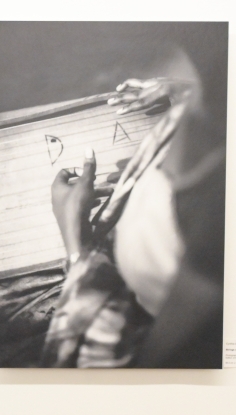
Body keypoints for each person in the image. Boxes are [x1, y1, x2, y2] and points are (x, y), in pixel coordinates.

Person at [40, 34, 226, 368]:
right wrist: (183, 92)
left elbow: (118, 369)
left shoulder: (215, 239)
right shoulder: (217, 102)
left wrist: (76, 246)